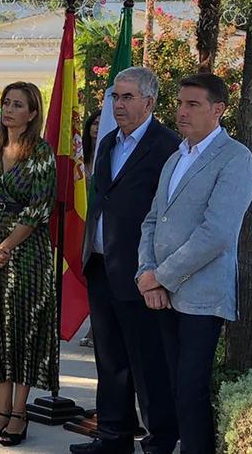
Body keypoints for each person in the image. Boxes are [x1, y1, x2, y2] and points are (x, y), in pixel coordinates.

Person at [137, 73, 252, 454]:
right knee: (171, 385)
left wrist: (161, 277)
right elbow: (153, 220)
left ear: (218, 110)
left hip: (202, 296)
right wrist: (146, 274)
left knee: (190, 388)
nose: (182, 112)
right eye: (180, 103)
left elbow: (216, 233)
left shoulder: (236, 158)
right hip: (163, 292)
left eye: (193, 105)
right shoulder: (177, 156)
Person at [71, 68, 181, 454]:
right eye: (115, 97)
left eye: (127, 97)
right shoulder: (108, 143)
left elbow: (171, 214)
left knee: (149, 364)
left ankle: (159, 443)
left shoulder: (167, 146)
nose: (118, 105)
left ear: (149, 102)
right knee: (110, 361)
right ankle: (113, 438)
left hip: (141, 273)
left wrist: (157, 271)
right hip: (102, 267)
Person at [0, 81, 56, 447]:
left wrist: (5, 245)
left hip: (28, 250)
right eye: (6, 103)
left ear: (32, 113)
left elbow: (39, 208)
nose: (9, 109)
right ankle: (1, 409)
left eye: (18, 104)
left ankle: (20, 413)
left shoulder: (41, 152)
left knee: (24, 329)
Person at [79, 111, 101, 349]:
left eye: (100, 123)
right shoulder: (80, 158)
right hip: (80, 225)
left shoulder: (113, 153)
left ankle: (94, 328)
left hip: (100, 228)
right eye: (93, 123)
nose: (96, 127)